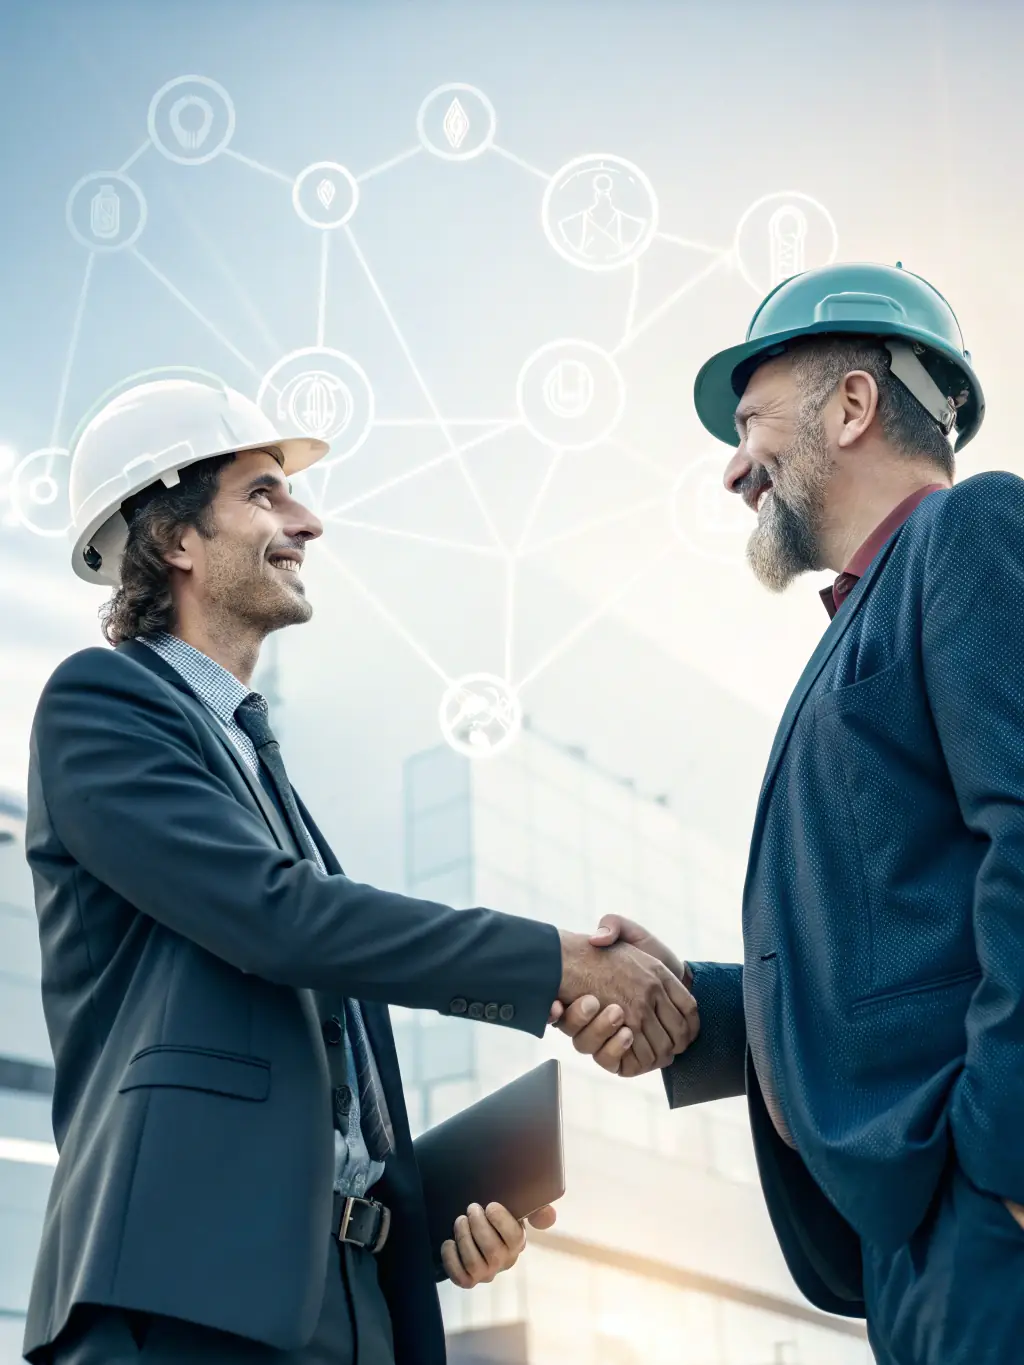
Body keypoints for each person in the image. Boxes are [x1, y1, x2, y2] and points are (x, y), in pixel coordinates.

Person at [22, 379, 699, 1365]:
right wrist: (554, 964)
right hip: (181, 1310)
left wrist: (430, 1213)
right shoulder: (102, 705)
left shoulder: (259, 764)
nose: (308, 519)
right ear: (175, 538)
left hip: (353, 1314)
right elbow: (279, 920)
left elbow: (308, 1059)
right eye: (264, 494)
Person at [555, 262, 1024, 1365]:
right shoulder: (862, 617)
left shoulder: (968, 534)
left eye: (752, 420)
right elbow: (894, 939)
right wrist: (695, 1014)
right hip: (920, 1244)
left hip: (980, 1220)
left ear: (852, 406)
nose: (733, 468)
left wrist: (1001, 1170)